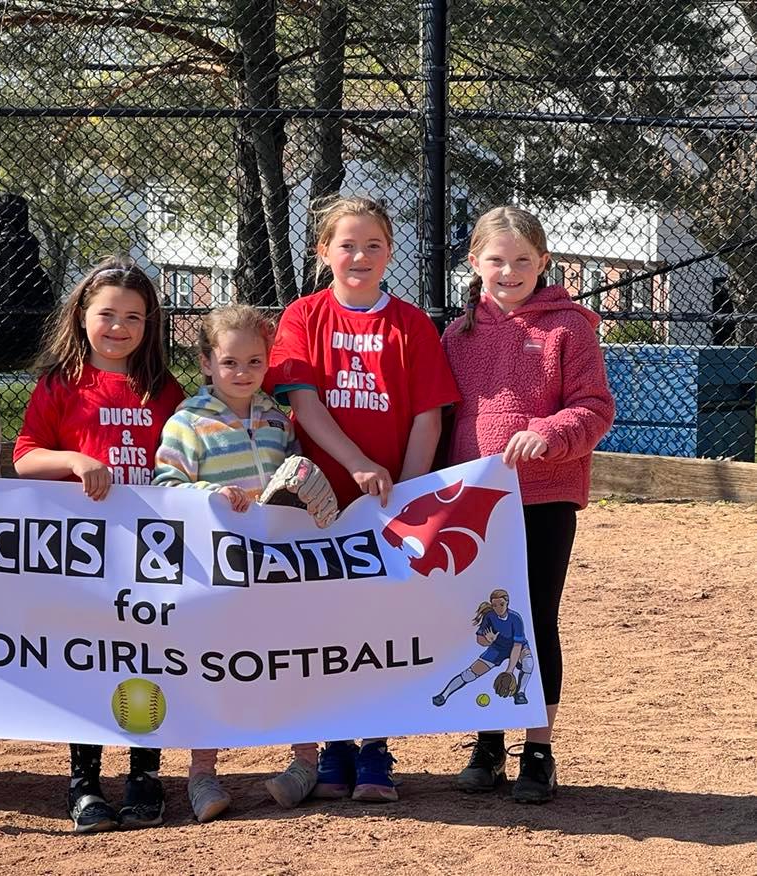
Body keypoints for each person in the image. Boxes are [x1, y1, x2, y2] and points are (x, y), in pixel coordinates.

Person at [266, 195, 460, 802]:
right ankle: (334, 746)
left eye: (373, 245)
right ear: (324, 252)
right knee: (322, 624)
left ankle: (375, 748)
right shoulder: (304, 316)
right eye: (347, 244)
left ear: (390, 253)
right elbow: (305, 404)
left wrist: (402, 495)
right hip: (316, 503)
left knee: (379, 624)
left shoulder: (411, 325)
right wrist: (356, 465)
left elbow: (428, 417)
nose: (360, 256)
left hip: (387, 501)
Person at [441, 205, 614, 803]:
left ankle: (538, 750)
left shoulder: (571, 327)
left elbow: (594, 406)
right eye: (496, 259)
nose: (509, 270)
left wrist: (551, 433)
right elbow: (445, 416)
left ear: (543, 262)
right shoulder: (457, 333)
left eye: (522, 260)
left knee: (534, 618)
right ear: (475, 263)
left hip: (544, 495)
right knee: (483, 620)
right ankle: (487, 741)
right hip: (475, 501)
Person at [13, 256, 184, 833]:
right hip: (82, 551)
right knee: (87, 659)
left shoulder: (164, 390)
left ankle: (144, 775)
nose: (119, 327)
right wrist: (74, 459)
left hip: (150, 552)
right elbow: (24, 458)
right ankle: (84, 780)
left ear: (149, 324)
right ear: (81, 315)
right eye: (106, 313)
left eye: (133, 317)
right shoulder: (61, 383)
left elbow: (187, 458)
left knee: (147, 658)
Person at [153, 304, 331, 823]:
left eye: (255, 361)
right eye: (230, 362)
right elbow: (166, 487)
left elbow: (295, 476)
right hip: (218, 574)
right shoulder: (187, 423)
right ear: (207, 362)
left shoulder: (278, 419)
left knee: (291, 659)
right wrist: (212, 493)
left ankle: (303, 764)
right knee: (213, 666)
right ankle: (202, 774)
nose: (243, 372)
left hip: (277, 570)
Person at [432, 589, 534, 708]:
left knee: (528, 663)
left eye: (501, 604)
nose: (498, 608)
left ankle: (520, 693)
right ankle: (444, 695)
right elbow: (480, 640)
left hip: (517, 646)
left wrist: (509, 671)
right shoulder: (489, 617)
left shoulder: (515, 618)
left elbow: (517, 645)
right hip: (498, 648)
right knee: (469, 674)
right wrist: (489, 641)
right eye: (494, 605)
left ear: (507, 603)